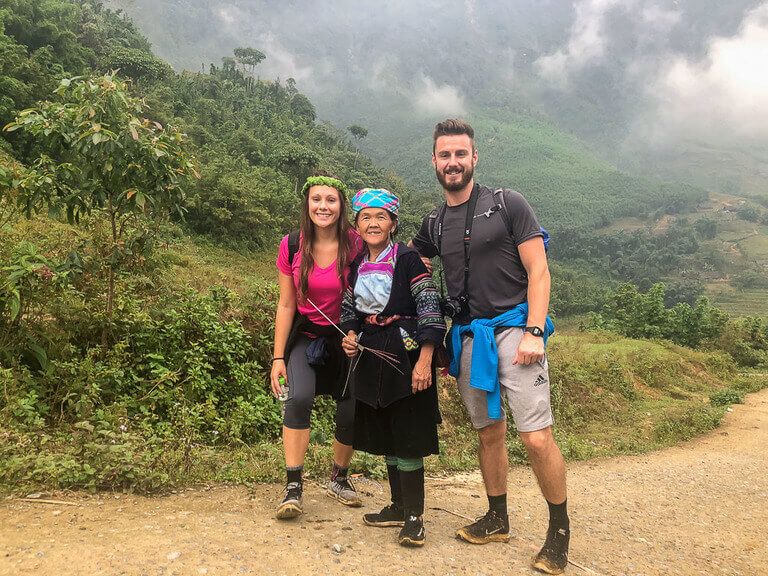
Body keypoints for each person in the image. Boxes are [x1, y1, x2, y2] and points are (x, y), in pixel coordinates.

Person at [410, 119, 570, 574]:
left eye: (461, 154)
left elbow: (538, 271)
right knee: (489, 432)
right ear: (435, 162)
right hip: (466, 338)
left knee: (537, 436)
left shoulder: (507, 204)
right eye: (445, 155)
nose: (453, 162)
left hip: (515, 333)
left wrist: (535, 332)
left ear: (474, 158)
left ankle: (558, 530)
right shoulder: (434, 223)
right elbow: (409, 264)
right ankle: (497, 515)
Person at [339, 188, 446, 548]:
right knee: (386, 429)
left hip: (407, 353)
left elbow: (430, 306)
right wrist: (351, 334)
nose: (373, 223)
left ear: (393, 223)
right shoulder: (355, 265)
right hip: (372, 355)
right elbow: (348, 310)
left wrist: (426, 361)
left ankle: (415, 518)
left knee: (408, 433)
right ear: (357, 225)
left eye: (380, 217)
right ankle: (398, 506)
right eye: (366, 217)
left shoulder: (409, 260)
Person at [271, 172, 363, 520]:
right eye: (316, 199)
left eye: (331, 200)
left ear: (341, 206)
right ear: (307, 203)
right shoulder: (292, 245)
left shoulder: (355, 243)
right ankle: (293, 486)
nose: (323, 206)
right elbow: (286, 304)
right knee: (298, 399)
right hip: (307, 336)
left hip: (349, 339)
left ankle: (339, 477)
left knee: (351, 407)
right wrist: (278, 356)